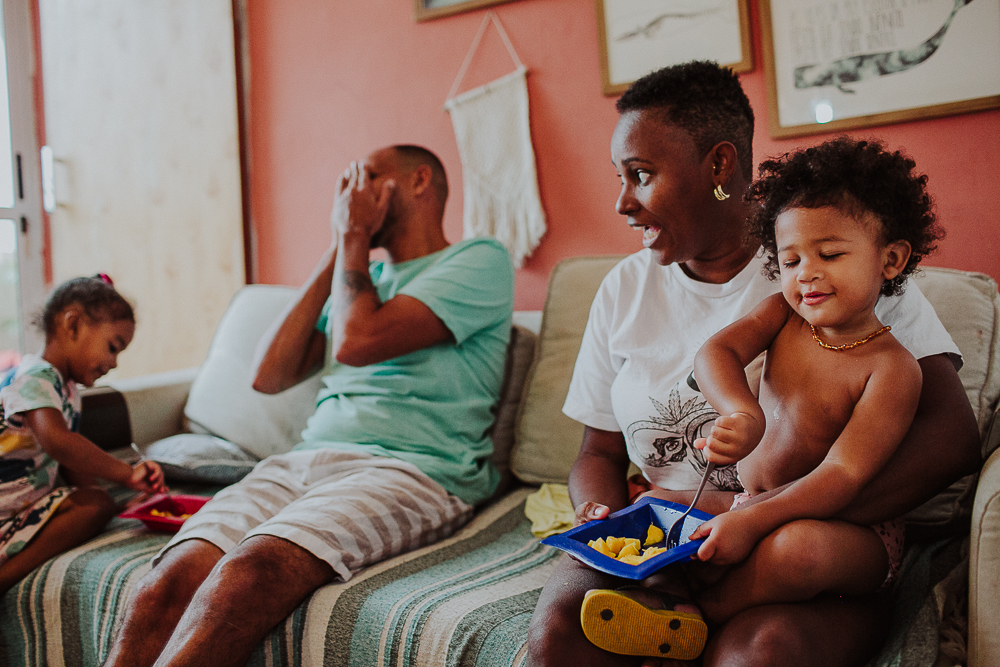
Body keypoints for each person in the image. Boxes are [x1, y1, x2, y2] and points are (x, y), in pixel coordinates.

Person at [525, 62, 980, 667]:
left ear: (718, 166)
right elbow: (598, 452)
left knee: (756, 654)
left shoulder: (838, 266)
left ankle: (693, 610)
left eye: (641, 175)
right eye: (621, 178)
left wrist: (764, 520)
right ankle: (673, 598)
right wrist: (601, 517)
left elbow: (951, 439)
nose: (622, 203)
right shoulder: (628, 290)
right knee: (564, 629)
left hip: (803, 525)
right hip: (679, 526)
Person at [103, 144, 515, 667]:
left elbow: (356, 342)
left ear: (418, 181)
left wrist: (353, 238)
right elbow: (268, 376)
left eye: (368, 176)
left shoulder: (479, 259)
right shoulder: (361, 283)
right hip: (307, 460)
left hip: (414, 469)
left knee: (250, 570)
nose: (351, 193)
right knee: (164, 581)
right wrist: (341, 244)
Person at [686, 137, 938, 625]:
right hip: (754, 502)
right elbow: (714, 352)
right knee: (660, 508)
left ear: (890, 260)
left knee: (797, 550)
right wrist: (741, 411)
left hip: (846, 532)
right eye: (792, 260)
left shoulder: (892, 369)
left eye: (829, 254)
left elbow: (842, 475)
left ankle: (698, 618)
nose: (807, 275)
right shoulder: (782, 315)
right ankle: (678, 591)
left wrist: (749, 521)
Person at [0, 275, 165, 594]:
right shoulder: (34, 377)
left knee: (95, 504)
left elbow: (72, 465)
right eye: (112, 347)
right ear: (72, 325)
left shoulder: (68, 391)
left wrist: (118, 505)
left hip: (19, 511)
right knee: (96, 504)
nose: (114, 363)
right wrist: (127, 474)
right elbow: (58, 443)